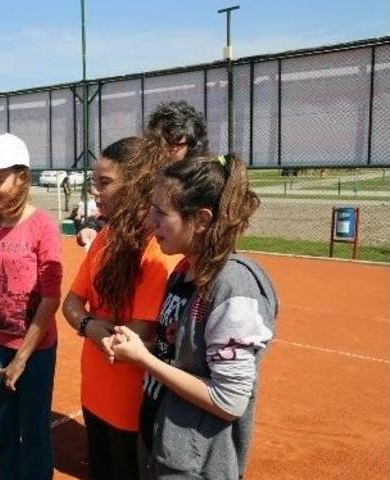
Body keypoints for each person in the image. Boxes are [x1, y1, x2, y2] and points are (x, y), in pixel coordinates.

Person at [111, 154, 277, 480]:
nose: (149, 221)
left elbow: (228, 401)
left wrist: (144, 359)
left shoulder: (233, 287)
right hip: (163, 447)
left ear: (200, 219)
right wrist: (145, 345)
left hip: (195, 466)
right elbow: (179, 352)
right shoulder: (184, 271)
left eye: (161, 213)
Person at [61, 137, 180, 480]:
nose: (95, 191)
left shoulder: (155, 250)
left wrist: (88, 324)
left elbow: (135, 338)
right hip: (95, 395)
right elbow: (70, 304)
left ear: (137, 183)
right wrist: (92, 326)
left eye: (105, 182)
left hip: (132, 407)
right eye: (94, 182)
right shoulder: (104, 237)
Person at [0, 133, 63, 480]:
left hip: (35, 352)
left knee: (34, 432)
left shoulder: (43, 226)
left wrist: (21, 359)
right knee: (4, 429)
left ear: (21, 177)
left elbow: (50, 299)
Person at [77, 100, 208, 249]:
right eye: (157, 141)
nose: (162, 149)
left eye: (173, 143)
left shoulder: (204, 183)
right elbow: (123, 210)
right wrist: (93, 225)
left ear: (193, 145)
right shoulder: (148, 176)